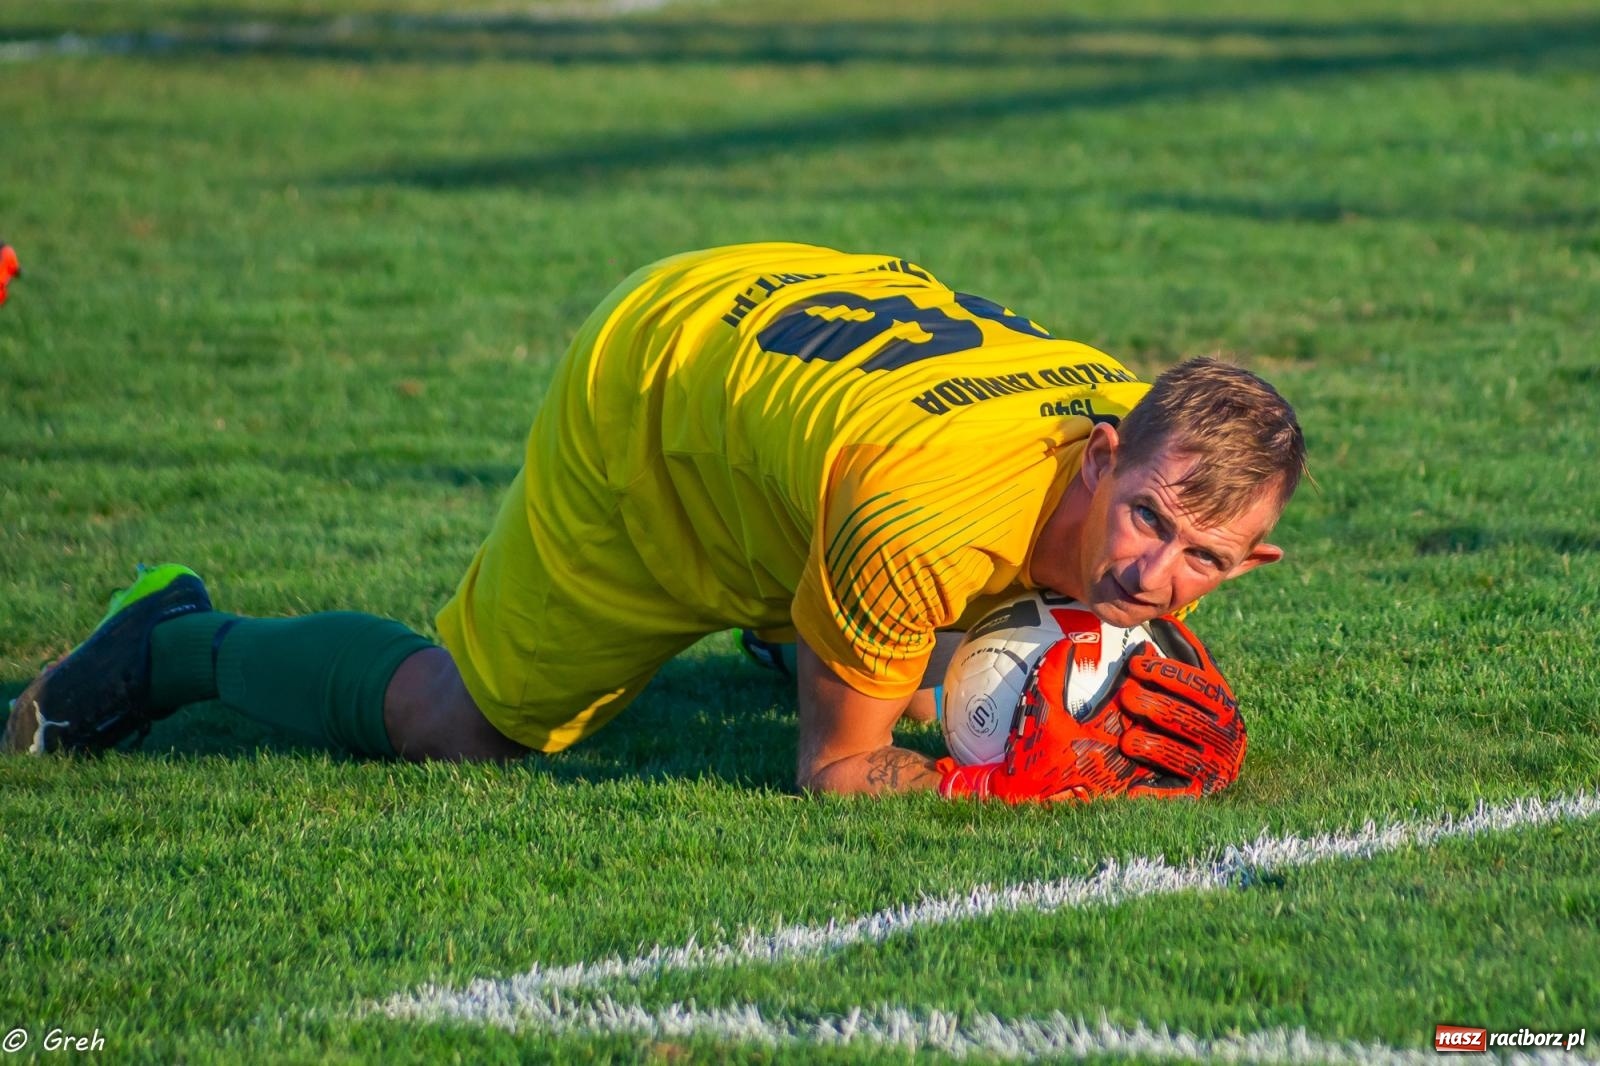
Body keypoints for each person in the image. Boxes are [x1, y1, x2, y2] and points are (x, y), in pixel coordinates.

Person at [3, 242, 1304, 801]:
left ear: (1259, 556)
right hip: (668, 387)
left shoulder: (1128, 440)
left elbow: (1031, 529)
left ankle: (804, 624)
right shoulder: (927, 515)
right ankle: (179, 638)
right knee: (466, 725)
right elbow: (839, 778)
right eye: (1142, 520)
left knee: (908, 650)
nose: (1150, 570)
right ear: (1100, 452)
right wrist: (1023, 784)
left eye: (1203, 556)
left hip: (817, 386)